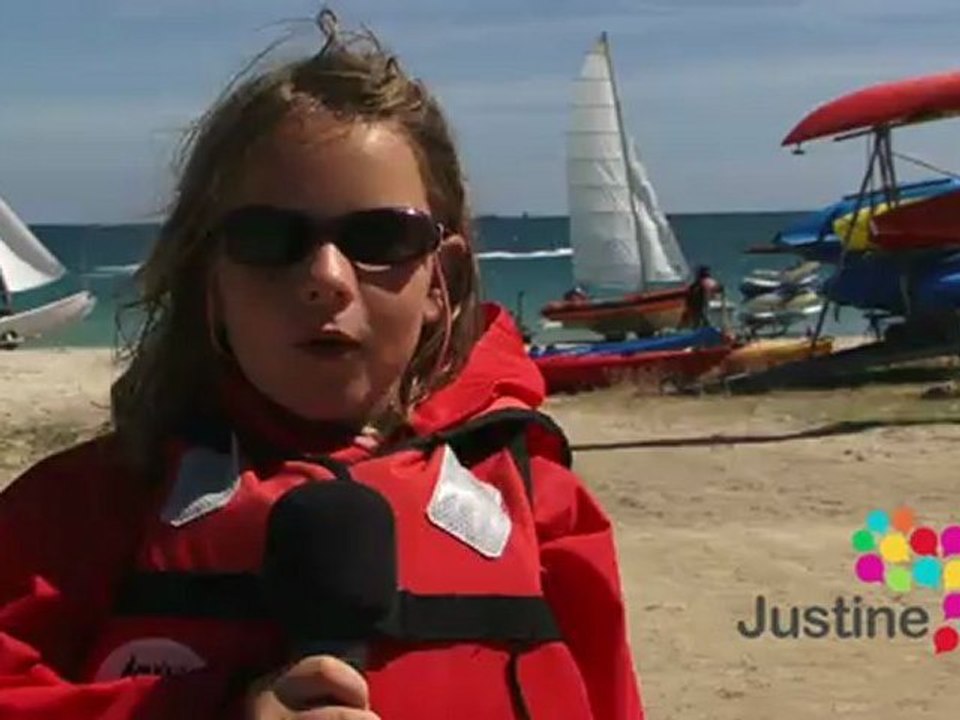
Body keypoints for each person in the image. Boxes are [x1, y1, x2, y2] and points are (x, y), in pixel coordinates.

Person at [0, 10, 644, 720]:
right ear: (210, 281)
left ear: (442, 281)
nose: (327, 277)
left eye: (381, 235)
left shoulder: (544, 507)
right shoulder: (82, 511)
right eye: (268, 236)